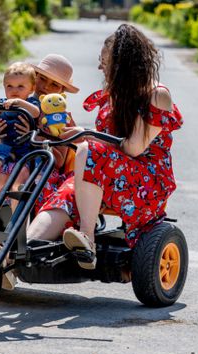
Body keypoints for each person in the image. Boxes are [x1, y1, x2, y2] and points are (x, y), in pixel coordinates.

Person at [28, 24, 184, 271]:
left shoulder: (157, 95)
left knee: (88, 152)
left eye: (105, 62)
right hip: (106, 170)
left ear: (123, 64)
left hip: (145, 181)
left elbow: (133, 148)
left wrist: (87, 140)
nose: (100, 67)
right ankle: (18, 254)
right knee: (60, 188)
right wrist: (73, 135)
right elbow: (103, 143)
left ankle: (86, 238)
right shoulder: (115, 93)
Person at [0, 54, 79, 289]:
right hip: (15, 163)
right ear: (33, 79)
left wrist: (38, 133)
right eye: (41, 80)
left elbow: (59, 160)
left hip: (44, 170)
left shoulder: (59, 115)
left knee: (20, 181)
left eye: (54, 85)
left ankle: (8, 247)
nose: (45, 87)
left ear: (61, 91)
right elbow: (0, 142)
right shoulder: (15, 104)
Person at [0, 62, 40, 181]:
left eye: (20, 86)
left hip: (26, 147)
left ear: (32, 88)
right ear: (4, 86)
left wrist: (18, 103)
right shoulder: (4, 103)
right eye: (9, 86)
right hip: (7, 144)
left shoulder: (31, 103)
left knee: (28, 157)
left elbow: (36, 112)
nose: (14, 90)